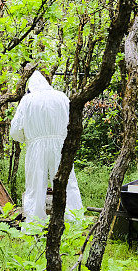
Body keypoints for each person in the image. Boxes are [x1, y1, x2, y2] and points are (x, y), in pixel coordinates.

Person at [10, 71, 83, 223]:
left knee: (35, 187)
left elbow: (15, 131)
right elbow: (73, 121)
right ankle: (74, 222)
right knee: (67, 183)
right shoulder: (61, 97)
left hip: (36, 148)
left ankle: (34, 224)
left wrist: (28, 139)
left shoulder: (27, 100)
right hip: (61, 146)